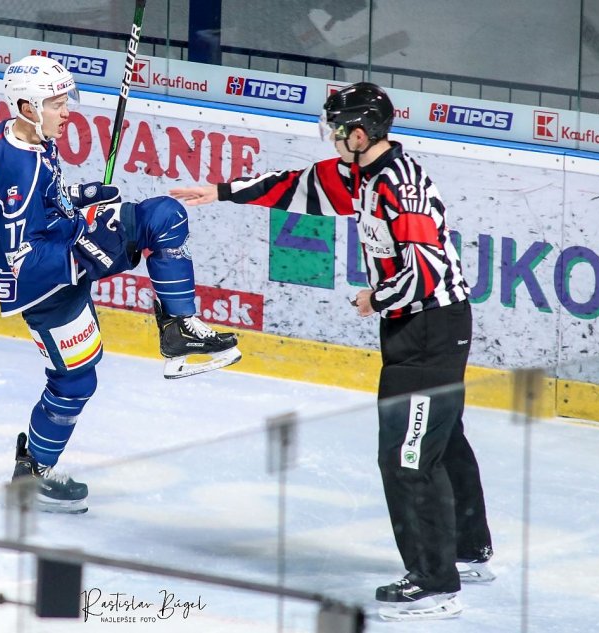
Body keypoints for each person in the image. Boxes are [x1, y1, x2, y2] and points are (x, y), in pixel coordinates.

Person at [170, 82, 493, 621]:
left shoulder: (398, 186)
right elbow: (297, 186)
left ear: (360, 133)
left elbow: (428, 270)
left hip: (430, 327)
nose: (333, 137)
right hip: (417, 327)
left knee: (407, 455)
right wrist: (221, 192)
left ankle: (436, 584)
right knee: (440, 438)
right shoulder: (361, 173)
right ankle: (468, 549)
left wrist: (377, 297)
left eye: (339, 129)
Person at [0, 55, 241, 514]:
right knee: (75, 382)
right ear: (28, 106)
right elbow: (20, 260)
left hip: (60, 241)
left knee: (164, 217)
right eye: (56, 104)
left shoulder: (17, 133)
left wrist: (79, 197)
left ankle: (178, 328)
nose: (66, 111)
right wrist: (84, 254)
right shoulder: (19, 168)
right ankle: (33, 475)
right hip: (42, 280)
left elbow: (36, 203)